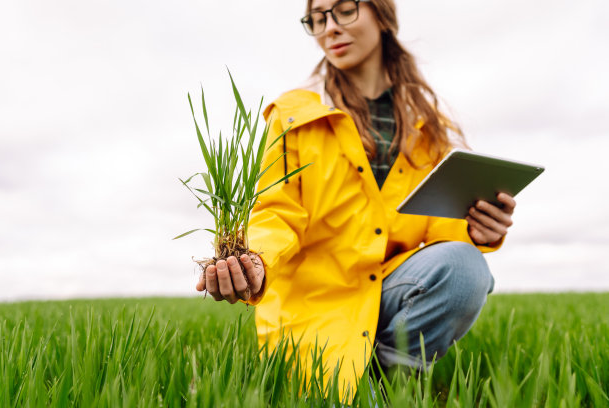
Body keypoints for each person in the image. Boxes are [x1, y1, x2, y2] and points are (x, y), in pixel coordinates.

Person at [196, 0, 516, 396]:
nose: (329, 28)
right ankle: (364, 387)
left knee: (466, 267)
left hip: (386, 292)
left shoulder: (427, 128)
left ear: (382, 16)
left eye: (345, 10)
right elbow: (276, 211)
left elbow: (439, 237)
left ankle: (389, 385)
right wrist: (255, 259)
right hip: (319, 304)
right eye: (317, 18)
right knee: (324, 385)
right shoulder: (296, 116)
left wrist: (478, 234)